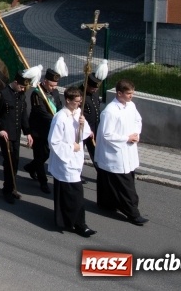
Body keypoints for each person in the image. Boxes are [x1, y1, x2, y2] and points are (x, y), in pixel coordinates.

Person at [95, 79, 149, 225]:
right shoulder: (110, 112)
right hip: (115, 153)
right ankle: (133, 213)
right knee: (126, 187)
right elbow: (107, 134)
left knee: (109, 180)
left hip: (128, 150)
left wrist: (136, 134)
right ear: (119, 93)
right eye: (129, 93)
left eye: (132, 93)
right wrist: (127, 137)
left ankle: (106, 204)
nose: (132, 96)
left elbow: (138, 120)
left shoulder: (131, 105)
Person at [48, 86, 96, 237]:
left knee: (68, 193)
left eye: (80, 101)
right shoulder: (60, 117)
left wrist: (82, 125)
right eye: (76, 102)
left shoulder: (78, 114)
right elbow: (53, 142)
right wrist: (71, 147)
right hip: (65, 162)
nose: (78, 104)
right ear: (67, 100)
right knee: (75, 193)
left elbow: (85, 133)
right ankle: (80, 224)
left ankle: (65, 220)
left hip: (75, 160)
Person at [0, 71, 32, 204]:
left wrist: (28, 133)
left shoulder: (21, 95)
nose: (22, 89)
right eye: (21, 87)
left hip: (16, 134)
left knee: (15, 161)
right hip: (6, 134)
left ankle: (12, 187)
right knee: (9, 162)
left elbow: (23, 114)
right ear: (15, 83)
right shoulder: (2, 94)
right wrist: (0, 129)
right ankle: (7, 190)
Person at [24, 68, 62, 194]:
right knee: (40, 155)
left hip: (51, 129)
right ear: (45, 82)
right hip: (39, 130)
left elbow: (59, 106)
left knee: (46, 154)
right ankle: (43, 182)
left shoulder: (55, 92)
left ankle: (31, 167)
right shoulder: (37, 93)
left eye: (55, 85)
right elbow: (41, 112)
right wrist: (57, 120)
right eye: (51, 85)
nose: (53, 88)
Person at [81, 74, 103, 164]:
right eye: (93, 88)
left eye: (96, 89)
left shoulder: (95, 93)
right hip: (83, 129)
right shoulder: (79, 93)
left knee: (96, 155)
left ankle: (101, 176)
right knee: (78, 154)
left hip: (95, 129)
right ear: (87, 85)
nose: (95, 90)